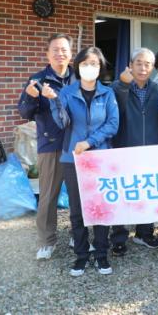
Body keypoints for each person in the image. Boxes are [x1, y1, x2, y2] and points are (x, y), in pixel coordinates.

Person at [44, 46, 119, 277]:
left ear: (100, 67)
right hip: (73, 158)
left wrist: (89, 142)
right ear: (77, 66)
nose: (90, 67)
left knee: (100, 208)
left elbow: (113, 124)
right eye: (85, 63)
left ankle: (101, 254)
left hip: (100, 157)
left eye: (94, 63)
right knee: (77, 210)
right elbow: (62, 123)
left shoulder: (107, 93)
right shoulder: (67, 92)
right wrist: (54, 101)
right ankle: (81, 255)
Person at [18, 33, 75, 261]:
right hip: (50, 144)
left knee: (78, 194)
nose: (60, 54)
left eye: (64, 50)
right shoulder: (38, 80)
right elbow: (24, 112)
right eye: (55, 50)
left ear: (70, 54)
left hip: (77, 144)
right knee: (48, 196)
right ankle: (46, 241)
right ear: (47, 54)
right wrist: (31, 97)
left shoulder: (79, 78)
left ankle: (77, 234)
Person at [109, 48, 158, 254]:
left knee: (148, 192)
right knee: (122, 193)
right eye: (139, 63)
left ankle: (144, 233)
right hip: (124, 149)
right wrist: (123, 85)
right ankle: (118, 237)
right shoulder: (117, 86)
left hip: (150, 150)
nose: (143, 68)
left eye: (148, 64)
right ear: (130, 65)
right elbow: (116, 111)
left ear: (153, 68)